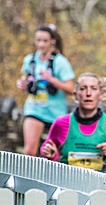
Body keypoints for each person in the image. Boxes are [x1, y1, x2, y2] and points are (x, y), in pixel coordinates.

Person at [40, 73, 106, 172]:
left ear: (101, 95)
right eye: (83, 89)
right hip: (68, 185)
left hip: (100, 186)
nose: (88, 93)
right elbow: (47, 149)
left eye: (93, 88)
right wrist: (51, 155)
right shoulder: (61, 123)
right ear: (76, 95)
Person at [15, 24, 75, 156]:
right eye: (38, 40)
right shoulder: (30, 60)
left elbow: (71, 89)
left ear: (52, 41)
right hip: (34, 109)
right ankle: (27, 176)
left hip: (55, 114)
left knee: (53, 154)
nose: (41, 44)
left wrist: (52, 80)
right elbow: (24, 78)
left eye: (45, 41)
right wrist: (21, 84)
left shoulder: (60, 62)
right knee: (29, 151)